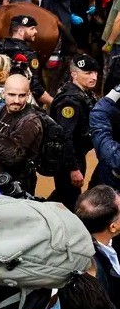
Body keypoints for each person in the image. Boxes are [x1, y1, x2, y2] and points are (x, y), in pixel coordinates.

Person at [48, 54, 98, 209]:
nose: (94, 77)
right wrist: (73, 169)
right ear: (74, 75)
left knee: (65, 195)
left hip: (76, 155)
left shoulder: (83, 94)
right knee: (69, 200)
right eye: (88, 73)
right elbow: (64, 137)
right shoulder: (70, 100)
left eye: (95, 73)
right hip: (68, 159)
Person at [0, 15, 50, 105]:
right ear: (21, 31)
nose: (36, 31)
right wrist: (52, 101)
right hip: (17, 102)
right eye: (32, 28)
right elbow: (34, 87)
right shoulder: (28, 54)